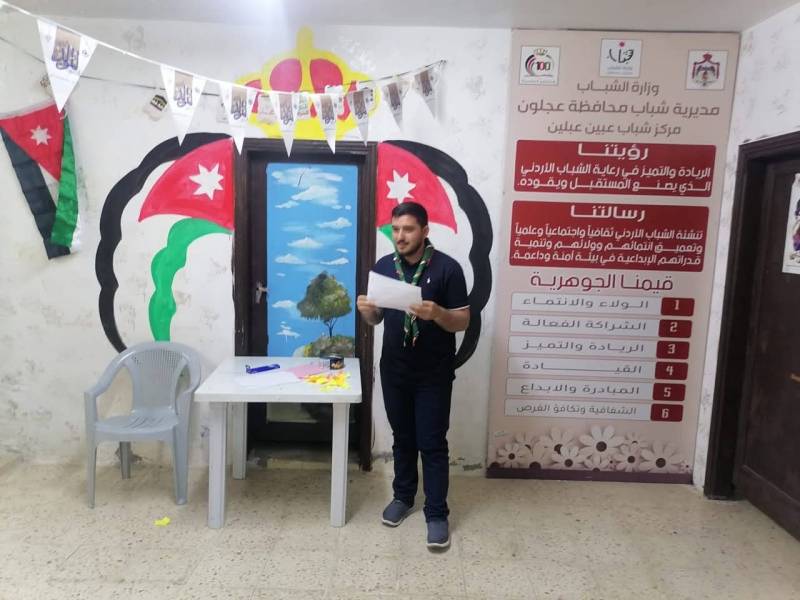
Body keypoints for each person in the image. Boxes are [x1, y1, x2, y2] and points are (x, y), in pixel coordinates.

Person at [356, 201, 470, 550]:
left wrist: (438, 314)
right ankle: (403, 497)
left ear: (424, 231)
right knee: (403, 438)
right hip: (395, 370)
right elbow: (376, 320)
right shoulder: (383, 268)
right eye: (396, 229)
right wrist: (367, 311)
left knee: (432, 443)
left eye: (408, 229)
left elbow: (462, 321)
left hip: (433, 373)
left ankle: (436, 514)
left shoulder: (447, 269)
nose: (400, 236)